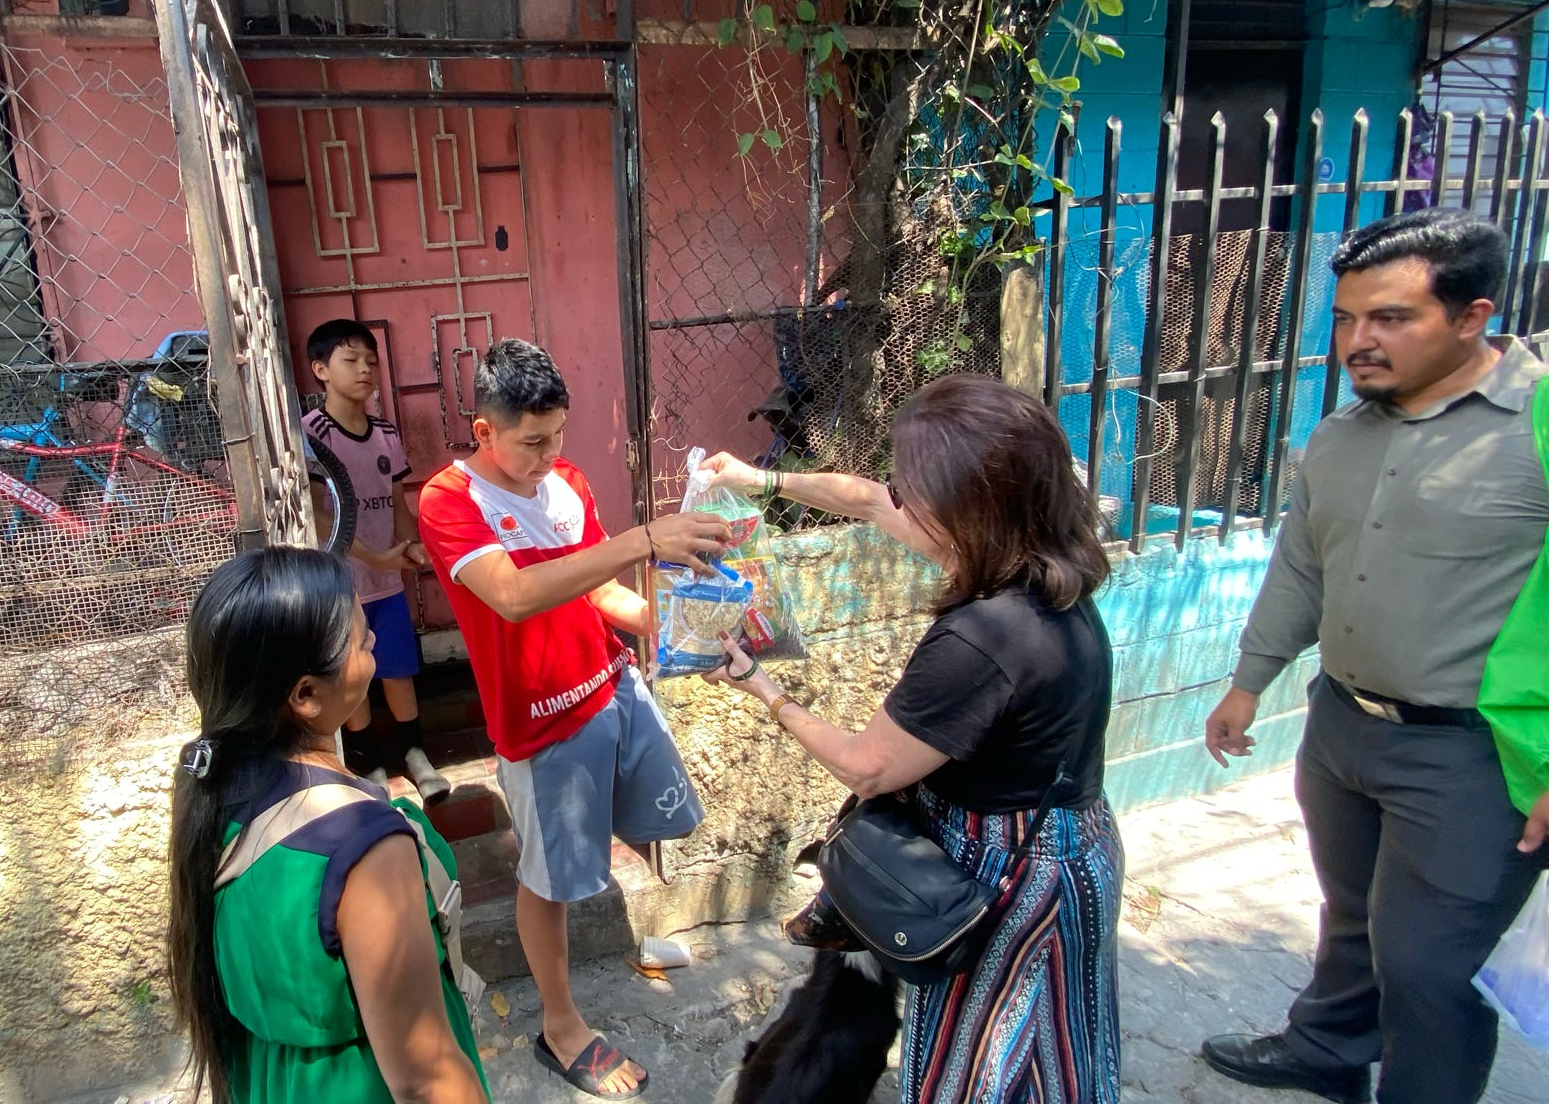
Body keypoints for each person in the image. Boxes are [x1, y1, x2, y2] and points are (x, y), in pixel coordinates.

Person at [1199, 208, 1549, 1104]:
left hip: (1474, 755)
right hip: (1343, 724)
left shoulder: (1538, 427)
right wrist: (1249, 682)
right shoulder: (1342, 435)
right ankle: (1326, 1050)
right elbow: (1302, 568)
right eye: (1348, 318)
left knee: (1429, 965)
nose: (1359, 341)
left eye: (1391, 318)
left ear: (1472, 316)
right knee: (1352, 915)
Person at [700, 373, 1124, 1104]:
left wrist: (765, 689)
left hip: (1009, 883)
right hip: (1072, 849)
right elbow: (867, 499)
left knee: (986, 1071)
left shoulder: (982, 638)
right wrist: (756, 479)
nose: (896, 498)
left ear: (965, 507)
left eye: (912, 490)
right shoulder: (1040, 568)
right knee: (1058, 1058)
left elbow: (868, 768)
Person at [415, 338, 729, 1100]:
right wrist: (642, 540)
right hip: (538, 724)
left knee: (653, 824)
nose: (550, 454)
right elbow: (515, 595)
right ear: (484, 432)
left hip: (611, 688)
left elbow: (601, 592)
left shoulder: (568, 483)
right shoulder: (449, 500)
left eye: (558, 435)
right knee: (548, 881)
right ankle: (560, 1027)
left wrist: (681, 628)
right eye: (532, 442)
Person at [165, 546, 489, 1104]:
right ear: (306, 695)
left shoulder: (214, 789)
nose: (374, 643)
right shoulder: (363, 846)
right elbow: (426, 1077)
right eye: (361, 642)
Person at [301, 319, 450, 804]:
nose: (365, 369)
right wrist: (373, 555)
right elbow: (319, 515)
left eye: (371, 360)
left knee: (398, 670)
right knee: (353, 676)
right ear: (321, 370)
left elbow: (398, 501)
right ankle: (371, 766)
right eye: (351, 360)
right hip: (340, 585)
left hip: (387, 582)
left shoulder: (385, 433)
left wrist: (410, 548)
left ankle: (415, 754)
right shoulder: (312, 432)